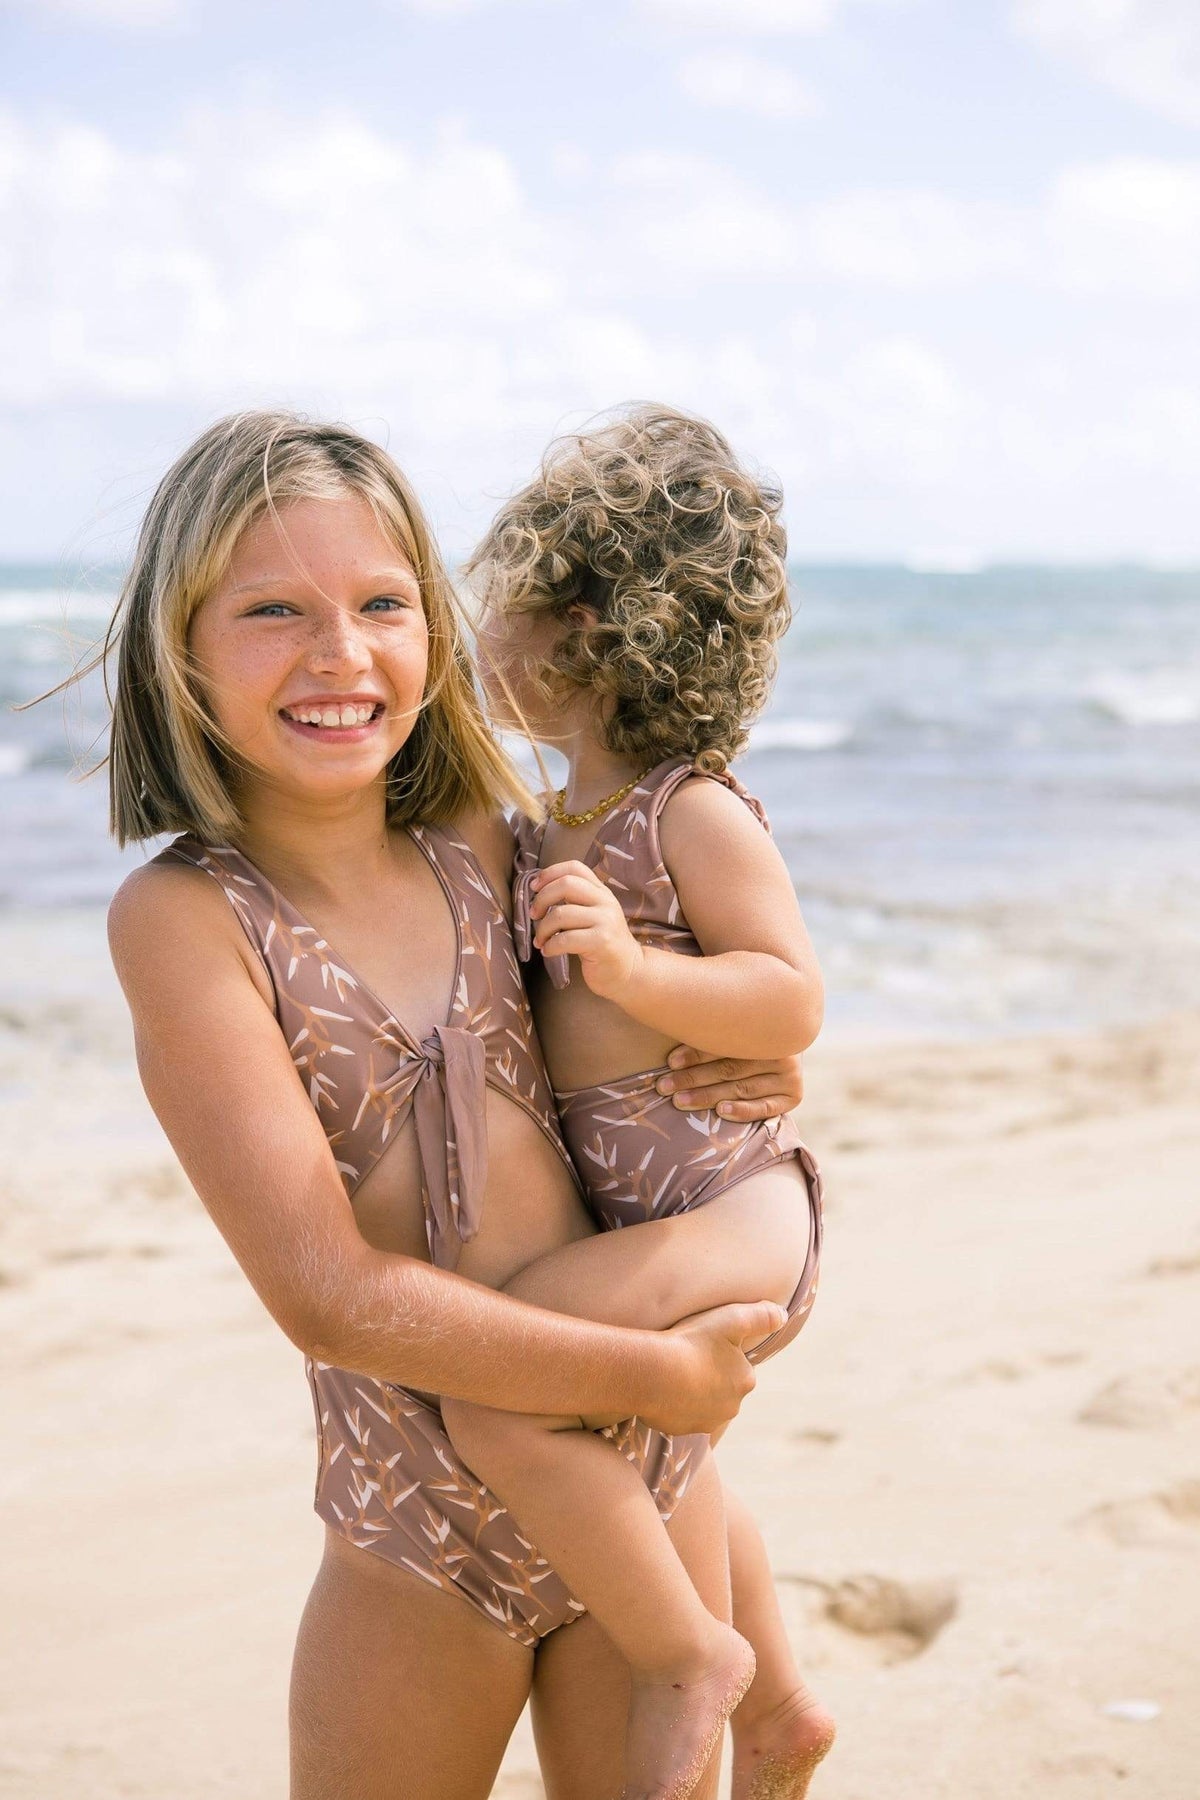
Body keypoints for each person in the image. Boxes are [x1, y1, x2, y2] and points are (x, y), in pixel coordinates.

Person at [87, 409, 806, 1800]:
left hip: (632, 1501)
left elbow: (669, 1004)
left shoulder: (493, 838)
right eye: (272, 611)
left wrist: (754, 1062)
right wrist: (653, 1375)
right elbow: (328, 1296)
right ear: (178, 643)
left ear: (438, 629)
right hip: (416, 1537)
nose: (339, 653)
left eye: (383, 604)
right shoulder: (188, 919)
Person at [452, 404, 837, 1800]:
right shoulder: (539, 822)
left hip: (736, 1209)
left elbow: (789, 997)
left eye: (507, 605)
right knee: (662, 1447)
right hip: (665, 1205)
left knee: (495, 1391)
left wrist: (626, 967)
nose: (478, 631)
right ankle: (784, 1705)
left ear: (601, 629)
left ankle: (693, 1657)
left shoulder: (687, 811)